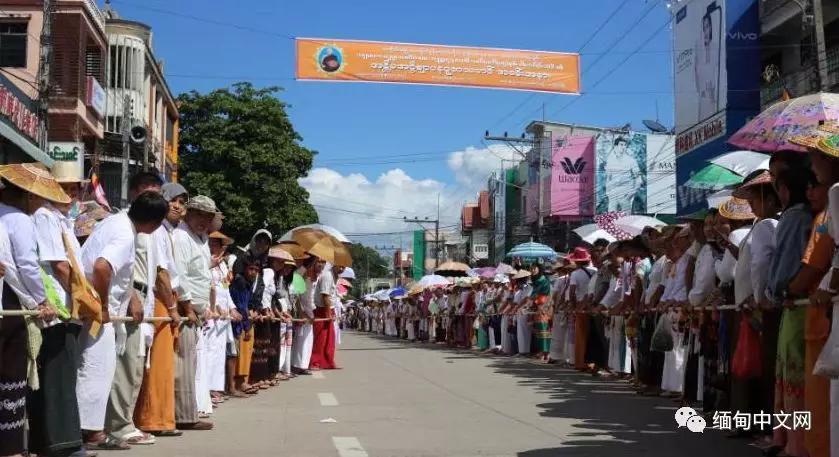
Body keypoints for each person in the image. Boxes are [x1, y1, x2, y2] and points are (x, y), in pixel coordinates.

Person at [79, 191, 168, 450]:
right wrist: (103, 305)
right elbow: (101, 267)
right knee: (97, 369)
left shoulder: (117, 222)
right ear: (154, 223)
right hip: (97, 309)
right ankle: (92, 433)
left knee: (98, 368)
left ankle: (91, 428)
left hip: (98, 305)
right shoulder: (125, 234)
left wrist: (128, 297)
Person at [0, 164, 62, 456]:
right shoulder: (18, 219)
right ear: (27, 196)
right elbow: (26, 264)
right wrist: (41, 301)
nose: (39, 204)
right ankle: (10, 448)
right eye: (38, 198)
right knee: (10, 374)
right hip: (9, 300)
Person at [103, 172, 165, 448]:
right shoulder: (122, 224)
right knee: (126, 365)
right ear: (134, 193)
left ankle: (125, 420)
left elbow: (159, 270)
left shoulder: (150, 228)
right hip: (129, 296)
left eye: (157, 191)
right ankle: (119, 425)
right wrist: (131, 297)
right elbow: (117, 268)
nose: (153, 196)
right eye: (148, 190)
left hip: (142, 294)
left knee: (136, 363)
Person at [767, 166, 816, 457]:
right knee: (789, 378)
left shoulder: (796, 217)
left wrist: (779, 291)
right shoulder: (804, 216)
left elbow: (784, 263)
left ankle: (793, 444)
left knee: (793, 378)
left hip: (796, 302)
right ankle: (785, 439)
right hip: (794, 302)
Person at [134, 182, 187, 438]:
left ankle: (163, 417)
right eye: (173, 200)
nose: (178, 206)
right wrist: (173, 307)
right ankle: (152, 418)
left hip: (167, 299)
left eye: (181, 202)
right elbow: (161, 274)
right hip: (160, 300)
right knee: (156, 364)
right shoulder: (156, 231)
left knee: (165, 365)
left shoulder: (169, 232)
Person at [172, 195, 219, 430]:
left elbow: (200, 274)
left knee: (191, 364)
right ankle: (183, 416)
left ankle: (188, 413)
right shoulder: (181, 237)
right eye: (199, 214)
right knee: (183, 365)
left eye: (208, 216)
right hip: (185, 310)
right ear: (188, 213)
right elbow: (180, 275)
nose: (203, 220)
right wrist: (188, 307)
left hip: (197, 311)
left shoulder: (200, 238)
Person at [208, 231, 239, 403]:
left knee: (220, 352)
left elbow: (226, 290)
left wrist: (232, 309)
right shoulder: (206, 263)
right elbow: (205, 287)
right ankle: (206, 389)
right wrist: (214, 307)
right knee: (210, 351)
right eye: (211, 243)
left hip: (224, 316)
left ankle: (216, 387)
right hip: (211, 314)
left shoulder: (223, 266)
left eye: (217, 244)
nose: (214, 247)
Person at [261, 246, 296, 380]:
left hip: (276, 313)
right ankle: (270, 373)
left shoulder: (280, 278)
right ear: (272, 261)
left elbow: (274, 299)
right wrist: (268, 310)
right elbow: (265, 294)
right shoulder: (269, 272)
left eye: (284, 263)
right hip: (268, 312)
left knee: (277, 344)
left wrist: (279, 313)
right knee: (269, 344)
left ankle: (275, 371)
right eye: (279, 262)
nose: (283, 266)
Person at [229, 255, 259, 395]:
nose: (253, 272)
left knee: (237, 354)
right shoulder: (240, 282)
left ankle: (237, 384)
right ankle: (232, 386)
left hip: (240, 321)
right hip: (235, 322)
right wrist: (247, 327)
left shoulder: (247, 282)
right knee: (233, 355)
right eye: (251, 269)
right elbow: (241, 306)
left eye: (256, 270)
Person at [292, 257, 318, 375]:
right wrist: (302, 312)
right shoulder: (298, 276)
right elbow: (296, 297)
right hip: (301, 313)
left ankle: (303, 365)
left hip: (309, 313)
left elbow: (310, 299)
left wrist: (312, 312)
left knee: (307, 340)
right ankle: (297, 365)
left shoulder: (310, 279)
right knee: (300, 340)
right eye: (314, 263)